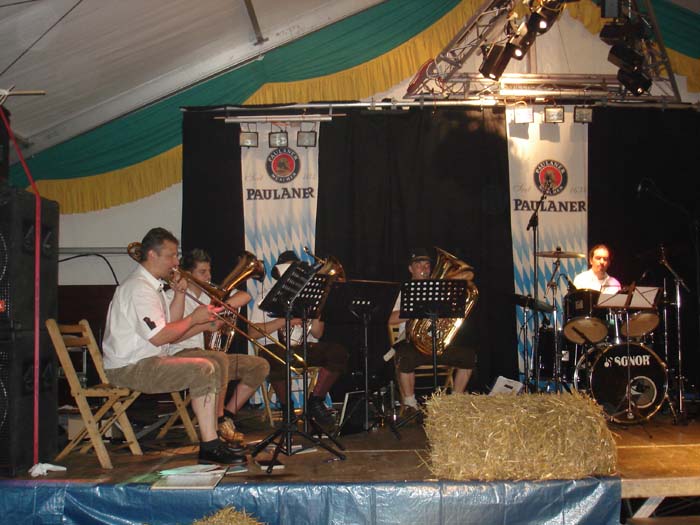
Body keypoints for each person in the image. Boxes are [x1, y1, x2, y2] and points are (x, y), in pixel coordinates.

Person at [102, 227, 245, 465]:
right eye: (171, 256)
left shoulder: (152, 286)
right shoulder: (138, 288)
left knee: (215, 361)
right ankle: (210, 446)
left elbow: (171, 324)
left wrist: (179, 294)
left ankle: (213, 438)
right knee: (203, 368)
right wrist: (195, 319)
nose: (176, 262)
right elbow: (160, 337)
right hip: (129, 367)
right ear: (152, 255)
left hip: (149, 361)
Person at [165, 249, 270, 444]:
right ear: (188, 274)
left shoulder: (210, 293)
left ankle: (227, 416)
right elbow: (171, 338)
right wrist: (205, 325)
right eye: (202, 272)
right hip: (182, 353)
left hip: (209, 355)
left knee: (260, 366)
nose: (208, 276)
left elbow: (244, 296)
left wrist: (220, 309)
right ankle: (218, 421)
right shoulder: (172, 297)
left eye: (209, 271)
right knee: (219, 360)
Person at [248, 250, 348, 428]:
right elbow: (252, 333)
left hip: (303, 347)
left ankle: (315, 401)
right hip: (276, 347)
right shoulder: (265, 296)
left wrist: (317, 310)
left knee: (337, 353)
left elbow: (317, 334)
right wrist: (284, 321)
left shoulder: (309, 297)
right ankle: (287, 409)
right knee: (274, 356)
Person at [389, 248, 477, 417]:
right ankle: (410, 405)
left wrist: (449, 284)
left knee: (468, 356)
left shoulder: (440, 288)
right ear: (410, 269)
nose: (424, 269)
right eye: (419, 265)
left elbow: (469, 275)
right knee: (404, 358)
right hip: (413, 344)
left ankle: (455, 401)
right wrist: (416, 311)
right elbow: (391, 319)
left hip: (438, 343)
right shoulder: (405, 291)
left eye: (427, 265)